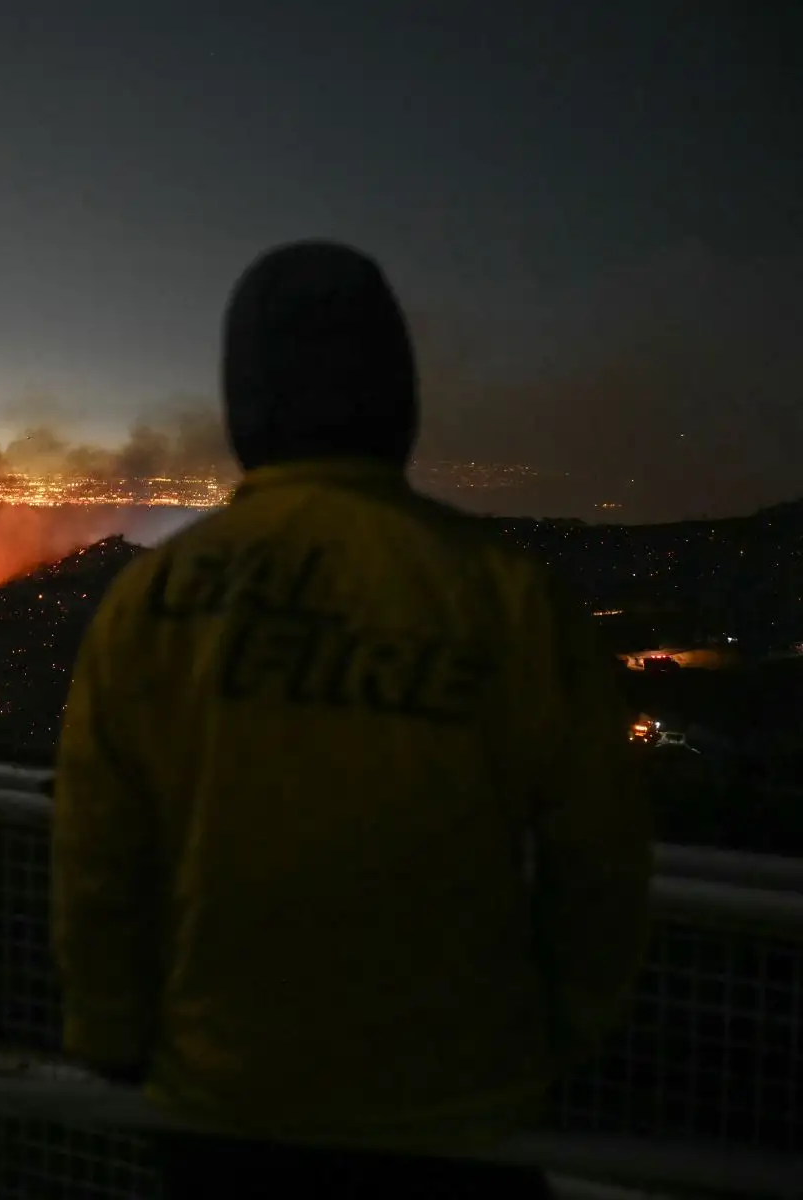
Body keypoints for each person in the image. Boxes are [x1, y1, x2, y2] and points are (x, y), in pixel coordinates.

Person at [52, 242, 651, 1198]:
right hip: (459, 1117)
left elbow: (95, 855)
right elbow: (603, 857)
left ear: (246, 401)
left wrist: (111, 1039)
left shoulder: (150, 604)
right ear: (397, 393)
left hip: (224, 1105)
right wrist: (563, 1032)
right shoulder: (507, 598)